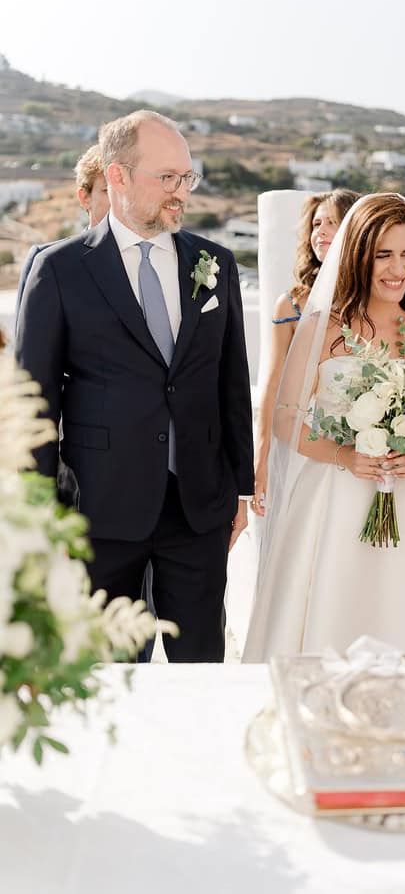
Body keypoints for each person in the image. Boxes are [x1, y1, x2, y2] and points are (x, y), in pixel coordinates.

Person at [16, 110, 254, 663]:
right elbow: (34, 402)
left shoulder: (215, 264)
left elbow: (231, 381)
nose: (181, 192)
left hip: (198, 508)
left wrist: (239, 490)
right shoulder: (60, 269)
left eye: (187, 178)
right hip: (97, 509)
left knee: (203, 664)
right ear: (117, 176)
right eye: (167, 177)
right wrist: (39, 513)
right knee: (105, 670)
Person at [243, 193, 405, 661]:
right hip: (333, 501)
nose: (399, 269)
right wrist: (345, 456)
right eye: (383, 255)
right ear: (357, 256)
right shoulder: (322, 325)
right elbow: (287, 416)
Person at [251, 189, 359, 517]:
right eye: (316, 224)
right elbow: (272, 385)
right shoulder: (292, 305)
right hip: (306, 447)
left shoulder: (379, 301)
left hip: (370, 450)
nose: (320, 232)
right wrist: (260, 460)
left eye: (332, 222)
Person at [15, 144, 109, 322]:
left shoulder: (153, 257)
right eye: (108, 190)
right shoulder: (48, 263)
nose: (119, 200)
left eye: (124, 190)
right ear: (85, 197)